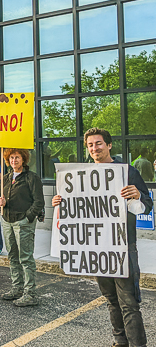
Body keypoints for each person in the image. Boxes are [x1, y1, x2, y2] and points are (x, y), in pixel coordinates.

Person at [52, 128, 153, 347]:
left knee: (129, 302)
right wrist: (60, 203)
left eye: (98, 143)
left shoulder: (127, 172)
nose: (94, 148)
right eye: (90, 145)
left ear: (108, 145)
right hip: (96, 248)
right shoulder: (81, 175)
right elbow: (76, 209)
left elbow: (147, 206)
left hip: (123, 245)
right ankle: (120, 341)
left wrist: (136, 196)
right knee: (111, 300)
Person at [0, 148, 44, 307]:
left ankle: (30, 293)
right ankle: (17, 288)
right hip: (7, 221)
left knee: (25, 257)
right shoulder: (6, 178)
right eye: (11, 157)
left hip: (22, 222)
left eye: (17, 157)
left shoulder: (32, 178)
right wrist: (0, 202)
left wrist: (28, 218)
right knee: (12, 256)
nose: (14, 160)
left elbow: (38, 202)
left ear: (23, 159)